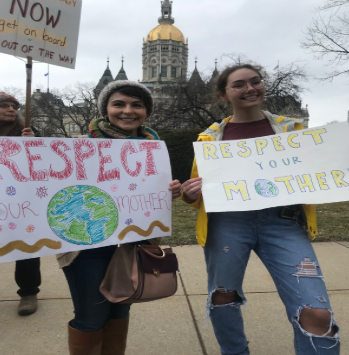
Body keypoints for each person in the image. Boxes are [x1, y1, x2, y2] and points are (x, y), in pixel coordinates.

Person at [181, 64, 340, 355]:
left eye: (255, 82)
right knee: (223, 299)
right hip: (227, 223)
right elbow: (198, 194)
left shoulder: (293, 130)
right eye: (239, 85)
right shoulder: (210, 138)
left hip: (284, 222)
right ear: (223, 95)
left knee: (317, 313)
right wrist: (189, 194)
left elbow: (317, 174)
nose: (250, 88)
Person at [56, 80, 181, 355]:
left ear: (146, 111)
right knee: (91, 318)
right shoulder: (77, 148)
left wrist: (169, 192)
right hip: (87, 247)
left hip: (132, 247)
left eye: (136, 105)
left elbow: (150, 193)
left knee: (119, 314)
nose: (128, 111)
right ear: (105, 109)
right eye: (119, 104)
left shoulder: (155, 150)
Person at [0, 92, 41, 316]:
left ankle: (28, 292)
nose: (11, 109)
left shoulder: (28, 133)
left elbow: (46, 164)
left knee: (25, 247)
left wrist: (33, 144)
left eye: (14, 106)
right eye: (4, 105)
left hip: (20, 203)